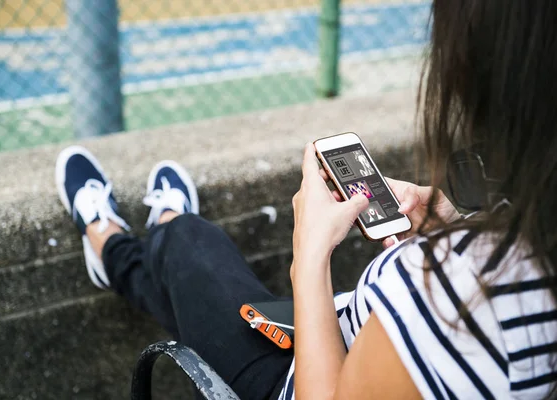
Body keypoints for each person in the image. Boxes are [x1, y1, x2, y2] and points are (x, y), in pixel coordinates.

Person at [55, 0, 557, 398]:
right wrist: (456, 218)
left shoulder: (459, 290)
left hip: (290, 377)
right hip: (340, 336)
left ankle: (112, 239)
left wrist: (309, 257)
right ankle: (120, 245)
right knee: (186, 279)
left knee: (185, 241)